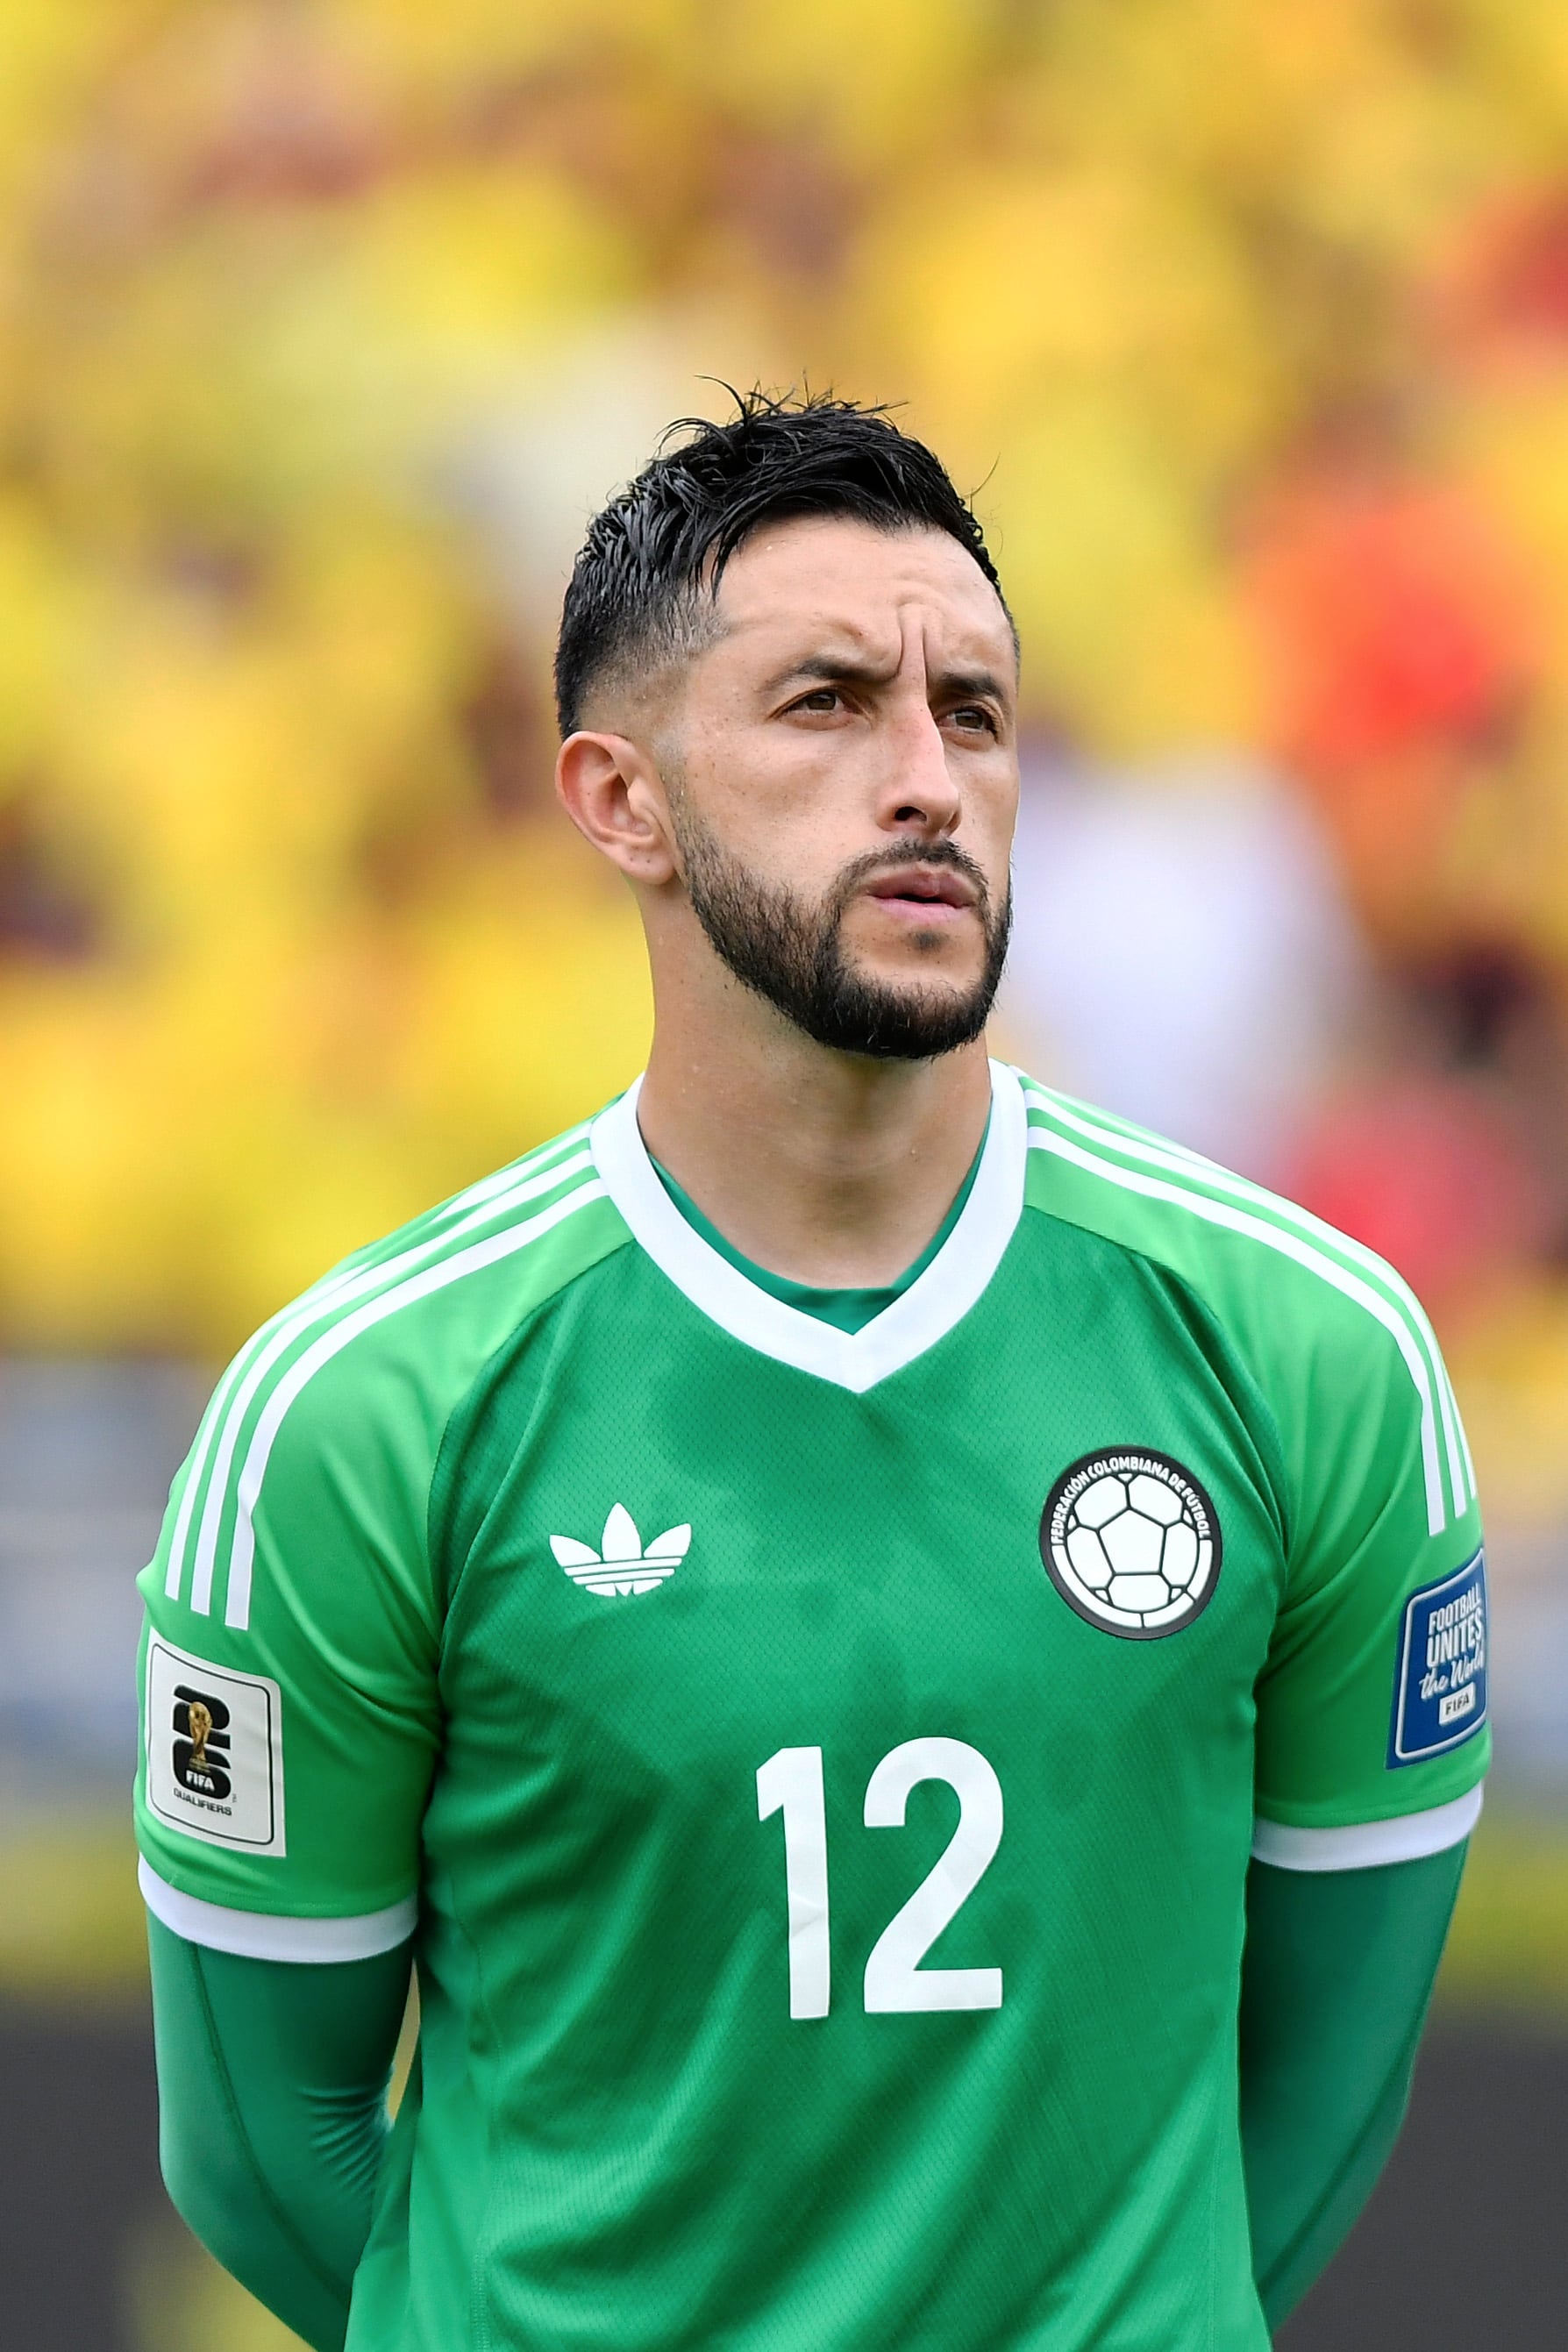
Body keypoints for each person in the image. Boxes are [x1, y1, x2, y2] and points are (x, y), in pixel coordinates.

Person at [137, 392, 1489, 2352]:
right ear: (621, 799)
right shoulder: (360, 1415)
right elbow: (268, 2153)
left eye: (977, 713)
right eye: (829, 703)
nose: (929, 779)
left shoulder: (1317, 1357)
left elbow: (1323, 2100)